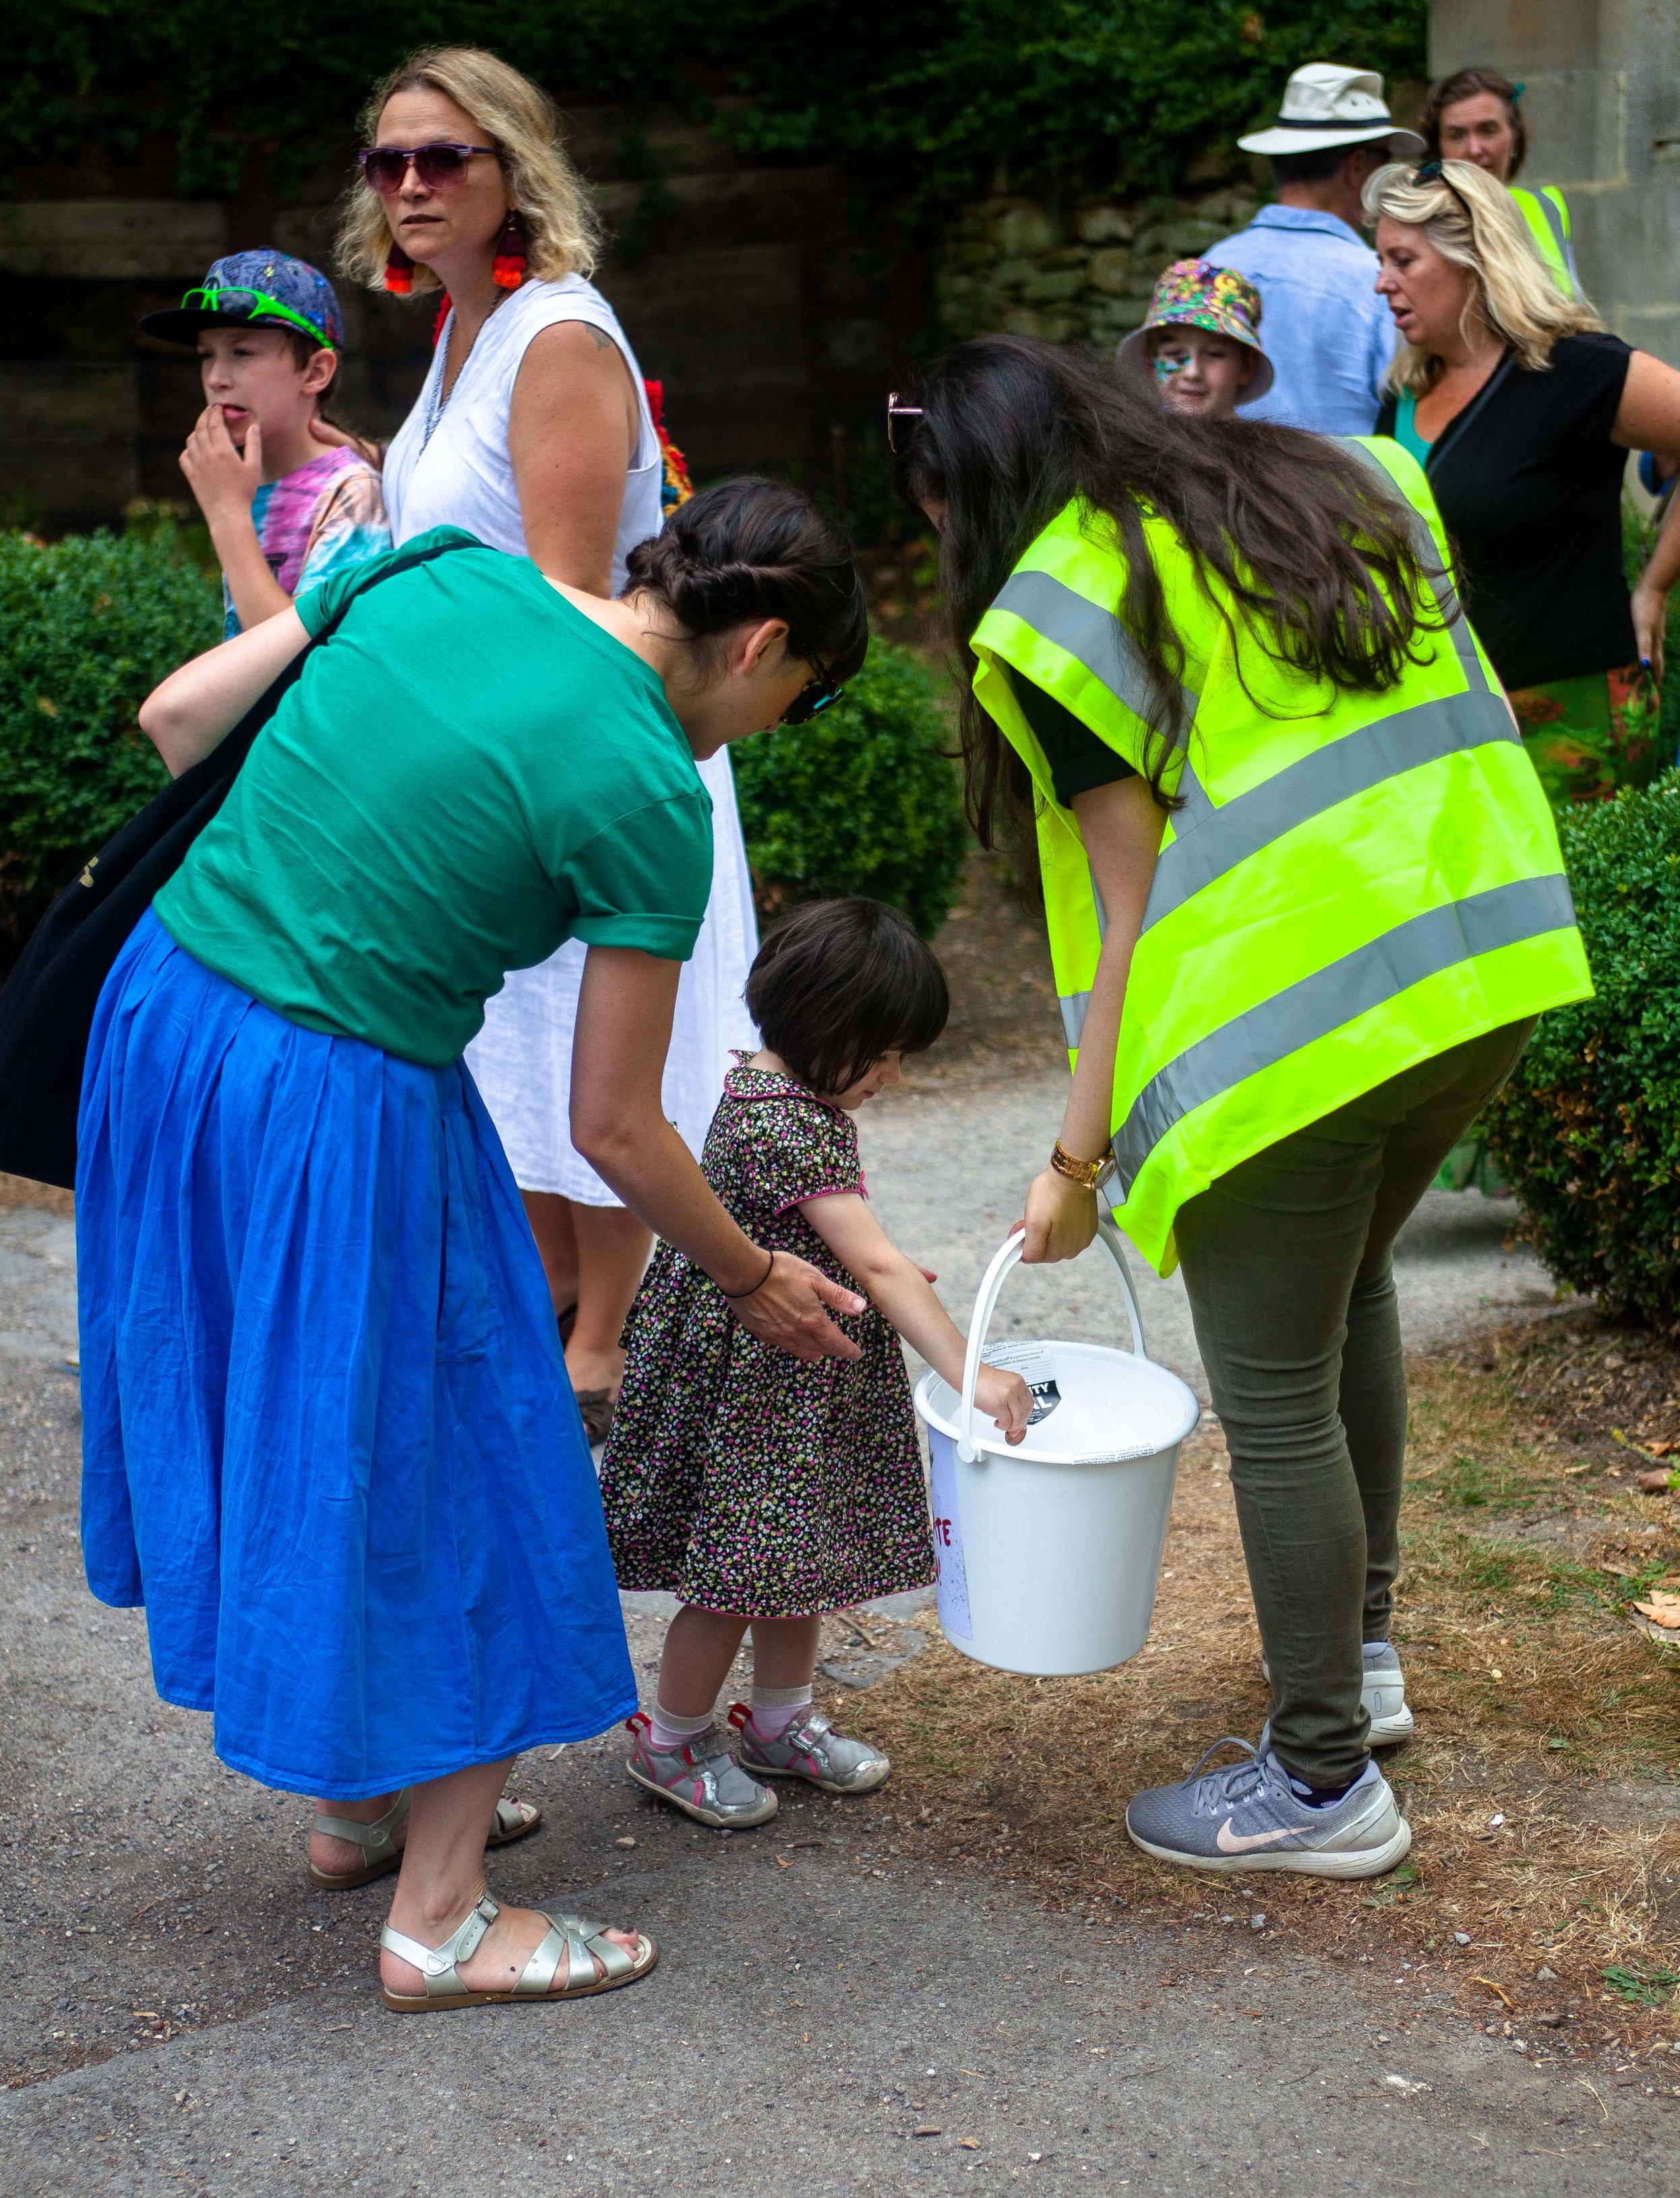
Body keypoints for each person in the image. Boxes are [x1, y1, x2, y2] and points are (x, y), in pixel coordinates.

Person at [79, 478, 870, 2011]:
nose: (773, 726)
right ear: (762, 641)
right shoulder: (652, 788)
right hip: (338, 1082)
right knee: (489, 1456)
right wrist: (754, 1273)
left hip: (168, 1016)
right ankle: (440, 1915)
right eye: (801, 697)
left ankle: (363, 1798)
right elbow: (619, 1129)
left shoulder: (446, 572)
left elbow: (179, 724)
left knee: (305, 1413)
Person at [888, 336, 1592, 1879]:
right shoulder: (1335, 471)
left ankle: (1323, 1777)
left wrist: (1077, 1157)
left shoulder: (1056, 611)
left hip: (1295, 1034)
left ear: (975, 489)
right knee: (1348, 1306)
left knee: (1273, 1390)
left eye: (931, 507)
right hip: (1486, 959)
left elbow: (1129, 911)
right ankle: (1367, 1662)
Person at [342, 43, 758, 1442]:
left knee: (592, 1068)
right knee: (509, 1064)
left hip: (570, 768)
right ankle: (547, 1357)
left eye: (441, 157)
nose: (409, 183)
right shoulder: (463, 332)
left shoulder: (560, 337)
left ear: (512, 174)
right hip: (488, 762)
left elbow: (570, 615)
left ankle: (602, 1362)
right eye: (388, 161)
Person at [601, 897, 1031, 1828]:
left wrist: (860, 1265)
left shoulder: (773, 1092)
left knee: (801, 1556)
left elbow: (843, 1242)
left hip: (791, 1385)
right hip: (760, 1395)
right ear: (829, 1031)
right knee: (735, 1572)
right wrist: (972, 1370)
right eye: (882, 1055)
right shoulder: (788, 1123)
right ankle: (671, 1737)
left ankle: (781, 1720)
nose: (893, 1075)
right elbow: (872, 1256)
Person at [1367, 159, 1680, 808]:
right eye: (1381, 261)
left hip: (1576, 719)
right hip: (1451, 723)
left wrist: (1655, 584)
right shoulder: (1403, 396)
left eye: (1403, 261)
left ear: (1473, 257)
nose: (1380, 284)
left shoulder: (1574, 370)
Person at [140, 251, 390, 637]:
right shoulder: (243, 482)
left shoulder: (350, 492)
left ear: (315, 372)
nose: (216, 378)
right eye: (207, 355)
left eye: (242, 353)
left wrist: (228, 515)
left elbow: (303, 661)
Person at [1201, 63, 1422, 434]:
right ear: (1357, 167)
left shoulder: (1208, 268)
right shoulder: (1380, 285)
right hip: (1344, 492)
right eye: (1385, 161)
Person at [1419, 66, 1582, 298]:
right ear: (1439, 149)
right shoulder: (1419, 220)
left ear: (1514, 137)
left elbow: (1573, 301)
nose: (1474, 150)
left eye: (1488, 130)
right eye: (1457, 135)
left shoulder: (1547, 206)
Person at [1120, 260, 1273, 420]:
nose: (1192, 373)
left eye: (1215, 354)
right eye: (1174, 353)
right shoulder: (1134, 441)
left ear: (1247, 367)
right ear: (1150, 361)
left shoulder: (1264, 445)